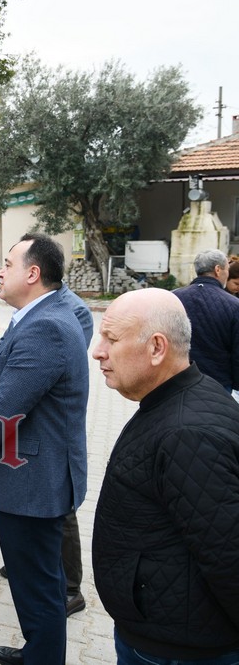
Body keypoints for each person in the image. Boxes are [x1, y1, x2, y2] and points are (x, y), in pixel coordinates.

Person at [92, 288, 239, 664]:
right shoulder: (175, 401)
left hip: (177, 649)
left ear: (157, 348)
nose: (98, 351)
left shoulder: (188, 434)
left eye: (112, 339)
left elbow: (228, 556)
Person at [0, 233, 89, 665]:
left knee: (37, 587)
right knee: (38, 582)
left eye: (8, 264)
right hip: (34, 476)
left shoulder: (47, 326)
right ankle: (39, 650)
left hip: (33, 481)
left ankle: (43, 657)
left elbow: (7, 407)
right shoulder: (40, 315)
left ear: (33, 273)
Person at [0, 282, 94, 619]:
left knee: (59, 512)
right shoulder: (31, 307)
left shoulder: (72, 310)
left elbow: (55, 368)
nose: (2, 273)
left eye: (10, 265)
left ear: (34, 272)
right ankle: (27, 562)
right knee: (26, 503)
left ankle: (70, 589)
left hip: (49, 433)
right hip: (21, 428)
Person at [171, 249, 239, 393]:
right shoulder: (234, 305)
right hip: (218, 383)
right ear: (218, 270)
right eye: (227, 269)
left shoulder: (173, 298)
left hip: (178, 379)